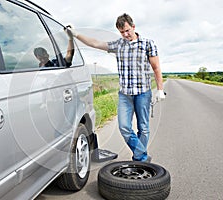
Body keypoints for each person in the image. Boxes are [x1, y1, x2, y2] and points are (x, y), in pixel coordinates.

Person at [68, 13, 165, 162]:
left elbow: (156, 68)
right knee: (124, 127)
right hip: (125, 95)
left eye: (127, 30)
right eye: (121, 32)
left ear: (133, 27)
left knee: (143, 128)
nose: (125, 34)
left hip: (143, 93)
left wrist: (159, 89)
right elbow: (95, 43)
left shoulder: (147, 44)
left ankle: (139, 159)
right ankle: (142, 156)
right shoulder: (118, 45)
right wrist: (75, 34)